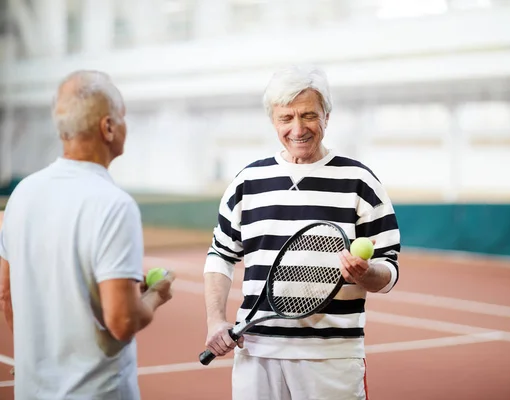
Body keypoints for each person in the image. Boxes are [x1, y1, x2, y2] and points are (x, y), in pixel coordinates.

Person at [203, 65, 401, 400]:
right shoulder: (247, 182)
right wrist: (215, 320)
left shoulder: (360, 182)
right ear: (273, 121)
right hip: (256, 353)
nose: (298, 128)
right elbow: (220, 256)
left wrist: (366, 274)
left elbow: (389, 270)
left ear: (327, 116)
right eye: (286, 118)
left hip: (332, 358)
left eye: (309, 115)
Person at [0, 70, 175, 399]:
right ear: (107, 127)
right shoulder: (114, 205)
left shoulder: (22, 194)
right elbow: (122, 321)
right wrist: (156, 294)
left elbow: (7, 295)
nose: (125, 125)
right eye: (121, 117)